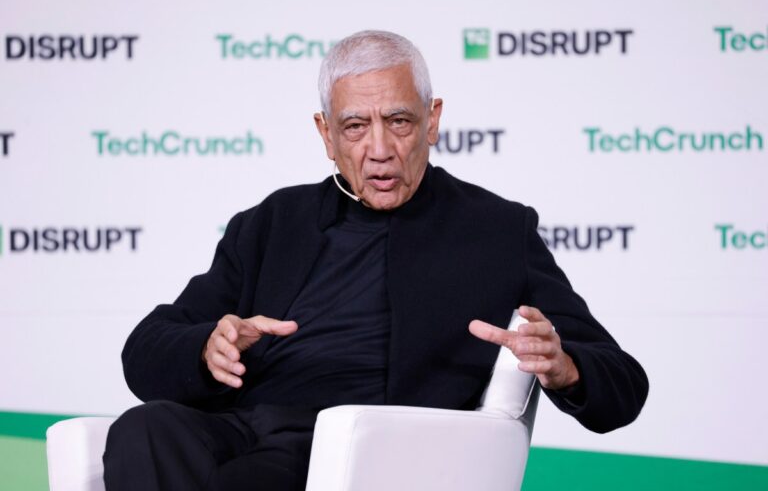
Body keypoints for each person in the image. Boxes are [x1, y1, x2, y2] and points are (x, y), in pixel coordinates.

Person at [103, 30, 648, 491]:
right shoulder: (274, 221)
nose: (380, 149)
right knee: (143, 431)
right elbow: (146, 348)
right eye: (355, 126)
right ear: (326, 134)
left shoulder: (497, 230)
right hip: (244, 421)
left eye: (399, 121)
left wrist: (565, 366)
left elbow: (623, 384)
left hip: (363, 447)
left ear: (432, 121)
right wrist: (207, 348)